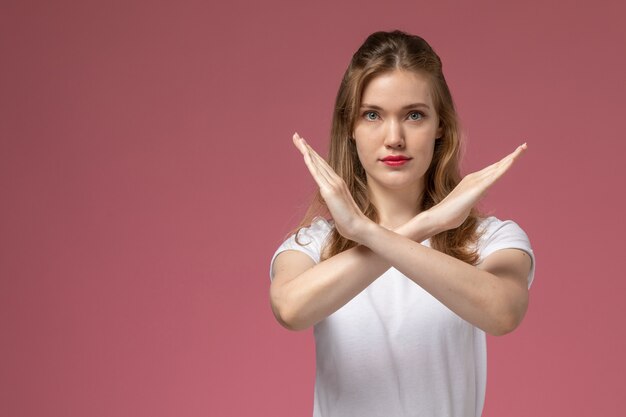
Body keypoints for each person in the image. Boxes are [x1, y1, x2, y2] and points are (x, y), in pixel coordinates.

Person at [268, 30, 535, 417]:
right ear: (350, 128)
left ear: (440, 125)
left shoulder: (491, 239)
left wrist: (368, 232)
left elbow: (503, 313)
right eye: (372, 115)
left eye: (414, 115)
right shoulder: (314, 245)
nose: (394, 138)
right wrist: (423, 225)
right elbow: (290, 309)